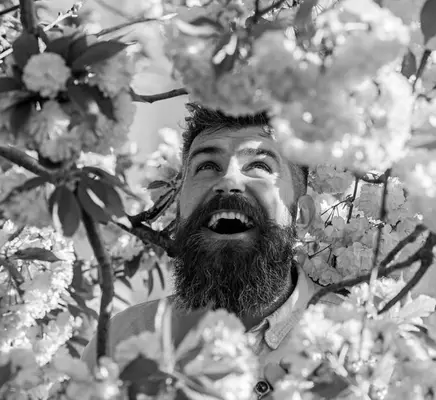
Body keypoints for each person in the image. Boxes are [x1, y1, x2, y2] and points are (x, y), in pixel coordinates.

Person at [81, 103, 343, 398]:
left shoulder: (361, 343)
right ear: (179, 210)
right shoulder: (121, 341)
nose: (228, 181)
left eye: (259, 166)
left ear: (302, 214)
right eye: (207, 166)